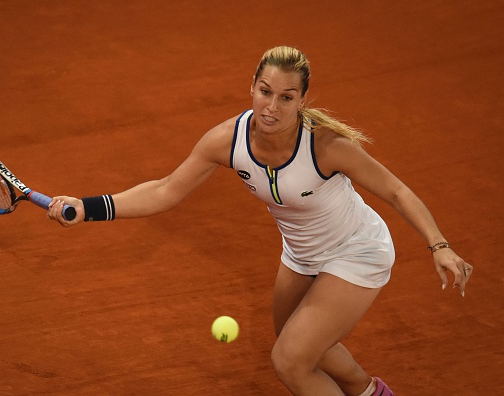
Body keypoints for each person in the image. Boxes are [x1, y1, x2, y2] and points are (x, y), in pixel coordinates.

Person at [47, 46, 473, 396]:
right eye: (265, 91)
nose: (272, 107)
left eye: (286, 97)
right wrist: (88, 207)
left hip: (356, 251)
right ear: (251, 87)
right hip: (301, 254)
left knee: (290, 361)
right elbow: (164, 190)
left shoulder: (326, 146)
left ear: (302, 100)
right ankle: (370, 393)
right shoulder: (226, 141)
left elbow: (396, 190)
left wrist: (439, 245)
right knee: (303, 344)